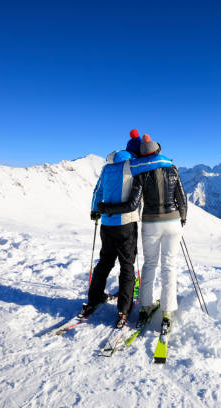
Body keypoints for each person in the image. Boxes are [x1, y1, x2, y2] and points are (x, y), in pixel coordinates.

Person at [98, 134, 187, 333]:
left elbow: (132, 204)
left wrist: (108, 209)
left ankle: (145, 306)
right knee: (169, 266)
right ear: (157, 151)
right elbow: (182, 197)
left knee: (150, 265)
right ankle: (167, 312)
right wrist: (182, 219)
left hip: (151, 223)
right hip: (173, 222)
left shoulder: (140, 173)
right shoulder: (172, 169)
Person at [84, 130, 142, 328]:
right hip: (126, 223)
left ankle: (94, 299)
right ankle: (123, 310)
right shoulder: (134, 166)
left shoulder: (107, 167)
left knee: (105, 262)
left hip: (107, 224)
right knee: (127, 266)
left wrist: (94, 210)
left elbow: (97, 191)